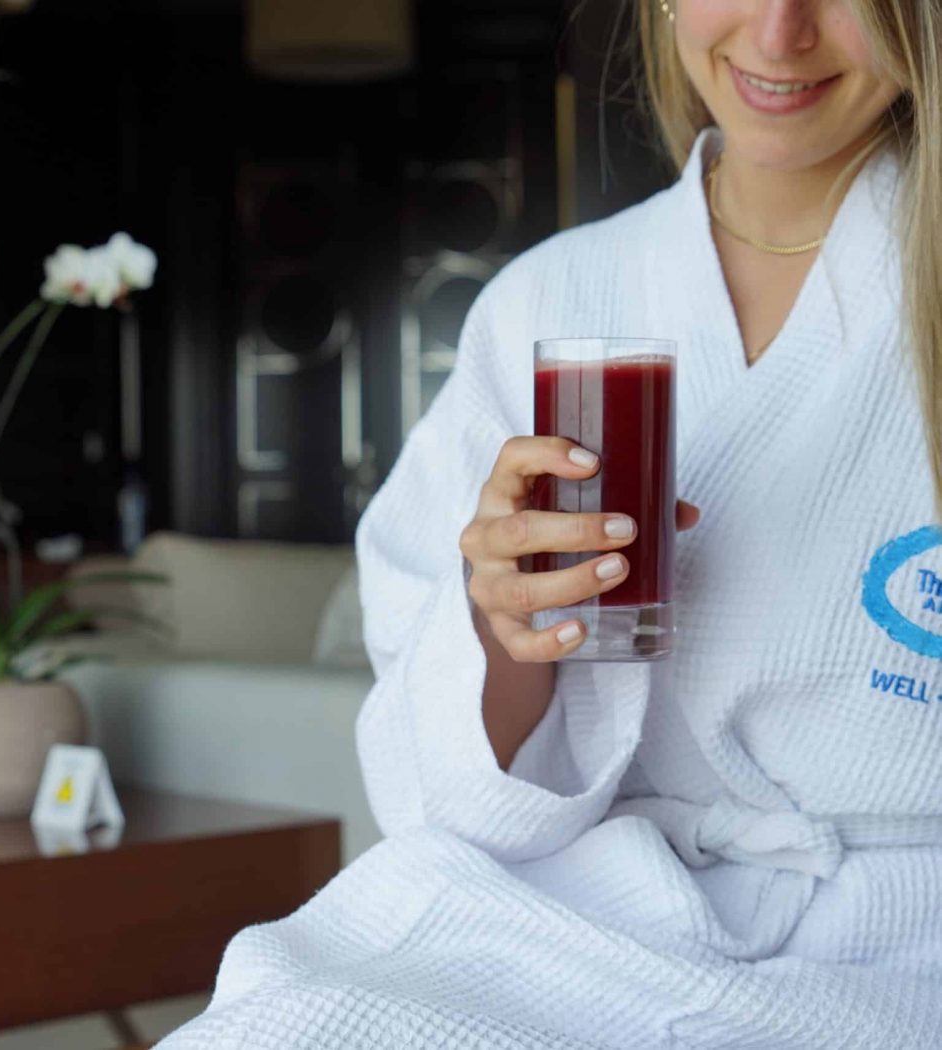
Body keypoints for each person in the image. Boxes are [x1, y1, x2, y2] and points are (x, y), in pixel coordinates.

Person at [158, 1, 942, 1046]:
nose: (779, 31)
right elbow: (444, 798)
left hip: (907, 945)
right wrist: (501, 625)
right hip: (610, 914)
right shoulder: (553, 298)